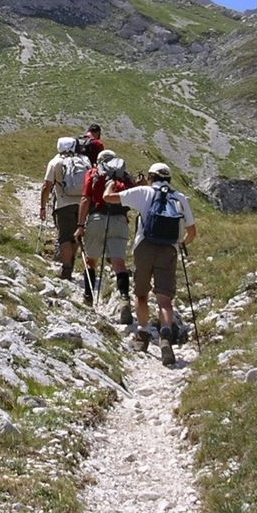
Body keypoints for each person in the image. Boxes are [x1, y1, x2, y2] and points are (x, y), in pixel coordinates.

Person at [104, 161, 197, 358]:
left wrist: (111, 183)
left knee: (142, 294)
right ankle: (165, 336)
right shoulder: (179, 198)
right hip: (169, 249)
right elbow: (192, 231)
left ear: (151, 177)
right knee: (164, 299)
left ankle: (143, 334)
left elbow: (108, 198)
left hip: (144, 246)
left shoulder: (144, 192)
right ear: (169, 179)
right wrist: (181, 243)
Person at [75, 150, 135, 311]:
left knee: (91, 260)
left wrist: (80, 225)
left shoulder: (94, 173)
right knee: (119, 262)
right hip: (120, 220)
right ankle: (124, 299)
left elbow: (85, 199)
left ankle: (88, 298)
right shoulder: (125, 176)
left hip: (97, 218)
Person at [40, 136, 90, 279]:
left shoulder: (55, 162)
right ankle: (71, 264)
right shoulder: (84, 160)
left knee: (64, 238)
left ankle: (66, 270)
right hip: (82, 203)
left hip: (63, 204)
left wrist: (43, 207)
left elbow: (46, 186)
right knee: (76, 235)